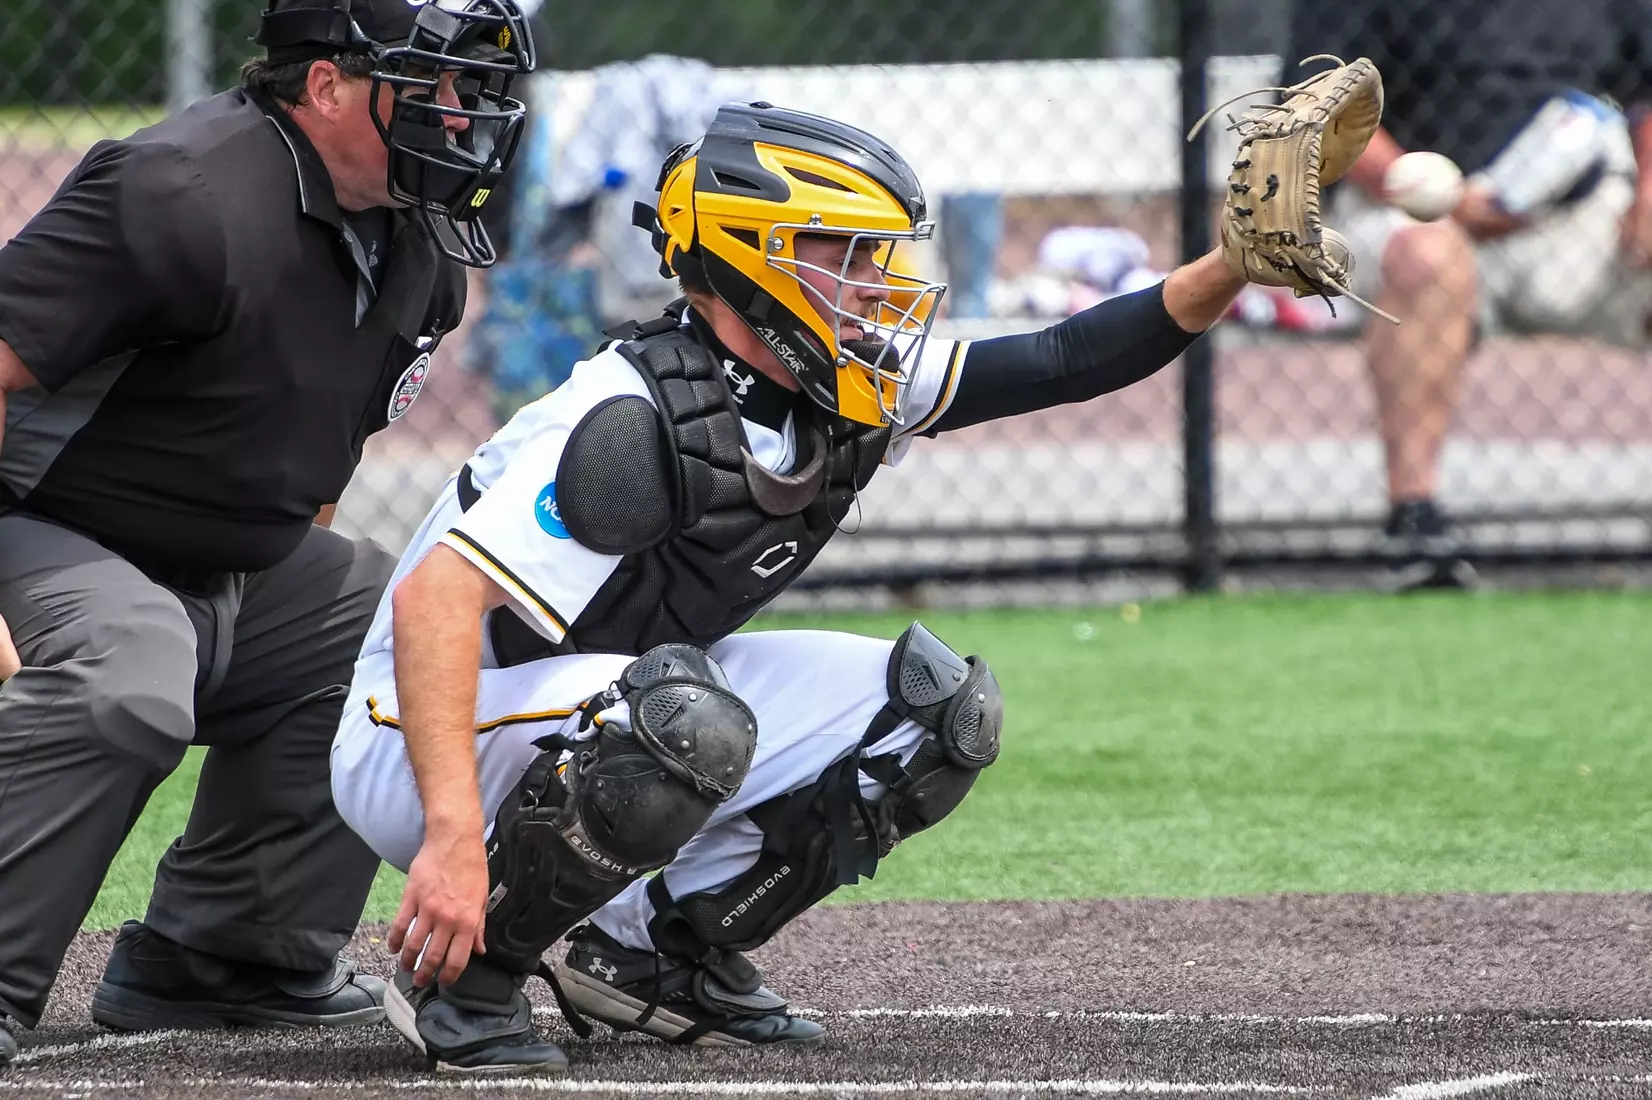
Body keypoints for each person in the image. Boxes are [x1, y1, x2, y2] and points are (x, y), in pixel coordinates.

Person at [327, 100, 1327, 1073]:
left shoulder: (840, 378)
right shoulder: (626, 415)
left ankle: (645, 955)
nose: (872, 280)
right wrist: (453, 839)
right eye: (840, 253)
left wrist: (1230, 265)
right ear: (747, 253)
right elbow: (436, 604)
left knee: (932, 713)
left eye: (874, 254)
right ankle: (461, 975)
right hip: (416, 730)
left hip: (605, 707)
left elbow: (1063, 357)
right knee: (687, 717)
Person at [0, 0, 535, 1068]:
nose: (457, 113)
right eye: (426, 81)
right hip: (38, 524)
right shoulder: (181, 193)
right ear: (324, 85)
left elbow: (304, 470)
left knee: (394, 619)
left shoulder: (418, 245)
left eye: (469, 86)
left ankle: (228, 951)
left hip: (203, 555)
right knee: (132, 665)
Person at [1290, 0, 1652, 590]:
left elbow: (1644, 90)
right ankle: (1414, 524)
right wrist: (1424, 190)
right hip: (1410, 207)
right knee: (1425, 258)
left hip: (1570, 217)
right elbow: (1319, 106)